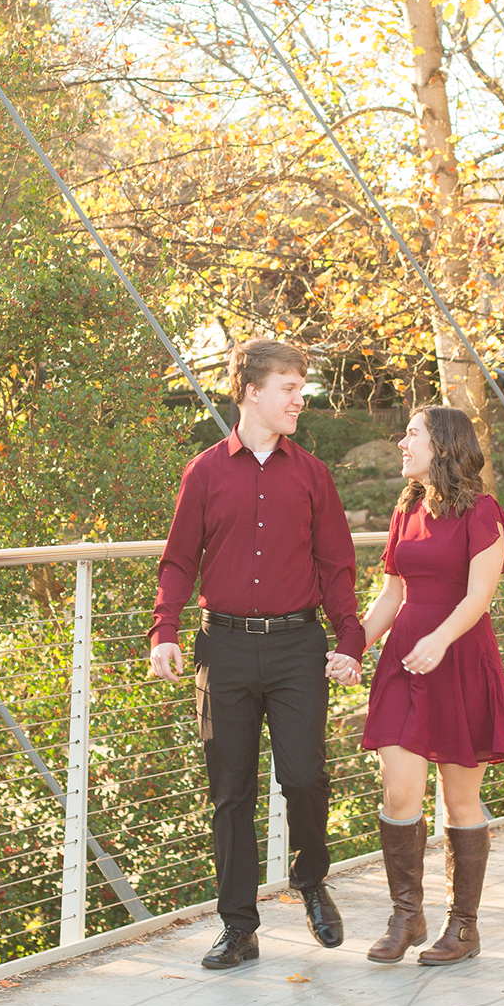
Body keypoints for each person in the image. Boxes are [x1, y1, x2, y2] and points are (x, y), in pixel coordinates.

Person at [149, 339, 365, 970]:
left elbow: (336, 565)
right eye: (289, 388)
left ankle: (311, 881)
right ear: (250, 391)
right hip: (225, 650)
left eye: (302, 388)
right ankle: (238, 928)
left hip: (299, 646)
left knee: (304, 777)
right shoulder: (206, 472)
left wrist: (349, 639)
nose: (301, 399)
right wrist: (165, 629)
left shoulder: (312, 474)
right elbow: (179, 559)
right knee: (231, 793)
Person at [338, 405, 504, 966]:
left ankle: (462, 927)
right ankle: (405, 914)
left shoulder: (483, 511)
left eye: (412, 434)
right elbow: (391, 596)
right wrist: (352, 647)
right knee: (398, 790)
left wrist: (440, 641)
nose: (402, 442)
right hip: (404, 660)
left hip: (459, 657)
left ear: (441, 445)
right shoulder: (406, 508)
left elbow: (477, 598)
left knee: (461, 800)